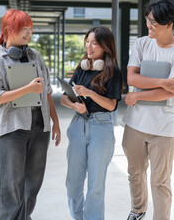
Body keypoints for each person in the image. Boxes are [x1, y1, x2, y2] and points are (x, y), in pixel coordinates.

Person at [0, 9, 61, 220]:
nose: (28, 33)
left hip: (40, 128)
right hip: (11, 130)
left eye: (30, 29)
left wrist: (55, 122)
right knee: (11, 186)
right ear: (9, 30)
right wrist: (27, 89)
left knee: (32, 185)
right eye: (23, 29)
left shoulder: (35, 56)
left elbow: (46, 92)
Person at [122, 0, 174, 220]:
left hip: (163, 126)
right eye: (148, 20)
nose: (148, 26)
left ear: (169, 24)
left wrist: (137, 95)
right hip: (135, 122)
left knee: (160, 181)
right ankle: (138, 211)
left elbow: (172, 92)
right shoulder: (142, 43)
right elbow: (132, 76)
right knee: (135, 173)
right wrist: (163, 81)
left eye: (153, 22)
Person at [61, 26, 123, 220]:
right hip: (79, 125)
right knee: (72, 184)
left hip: (101, 127)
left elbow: (111, 105)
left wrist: (89, 94)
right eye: (87, 41)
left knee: (95, 186)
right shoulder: (82, 68)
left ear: (105, 46)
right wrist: (74, 106)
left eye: (94, 43)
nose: (89, 46)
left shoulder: (113, 71)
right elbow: (64, 98)